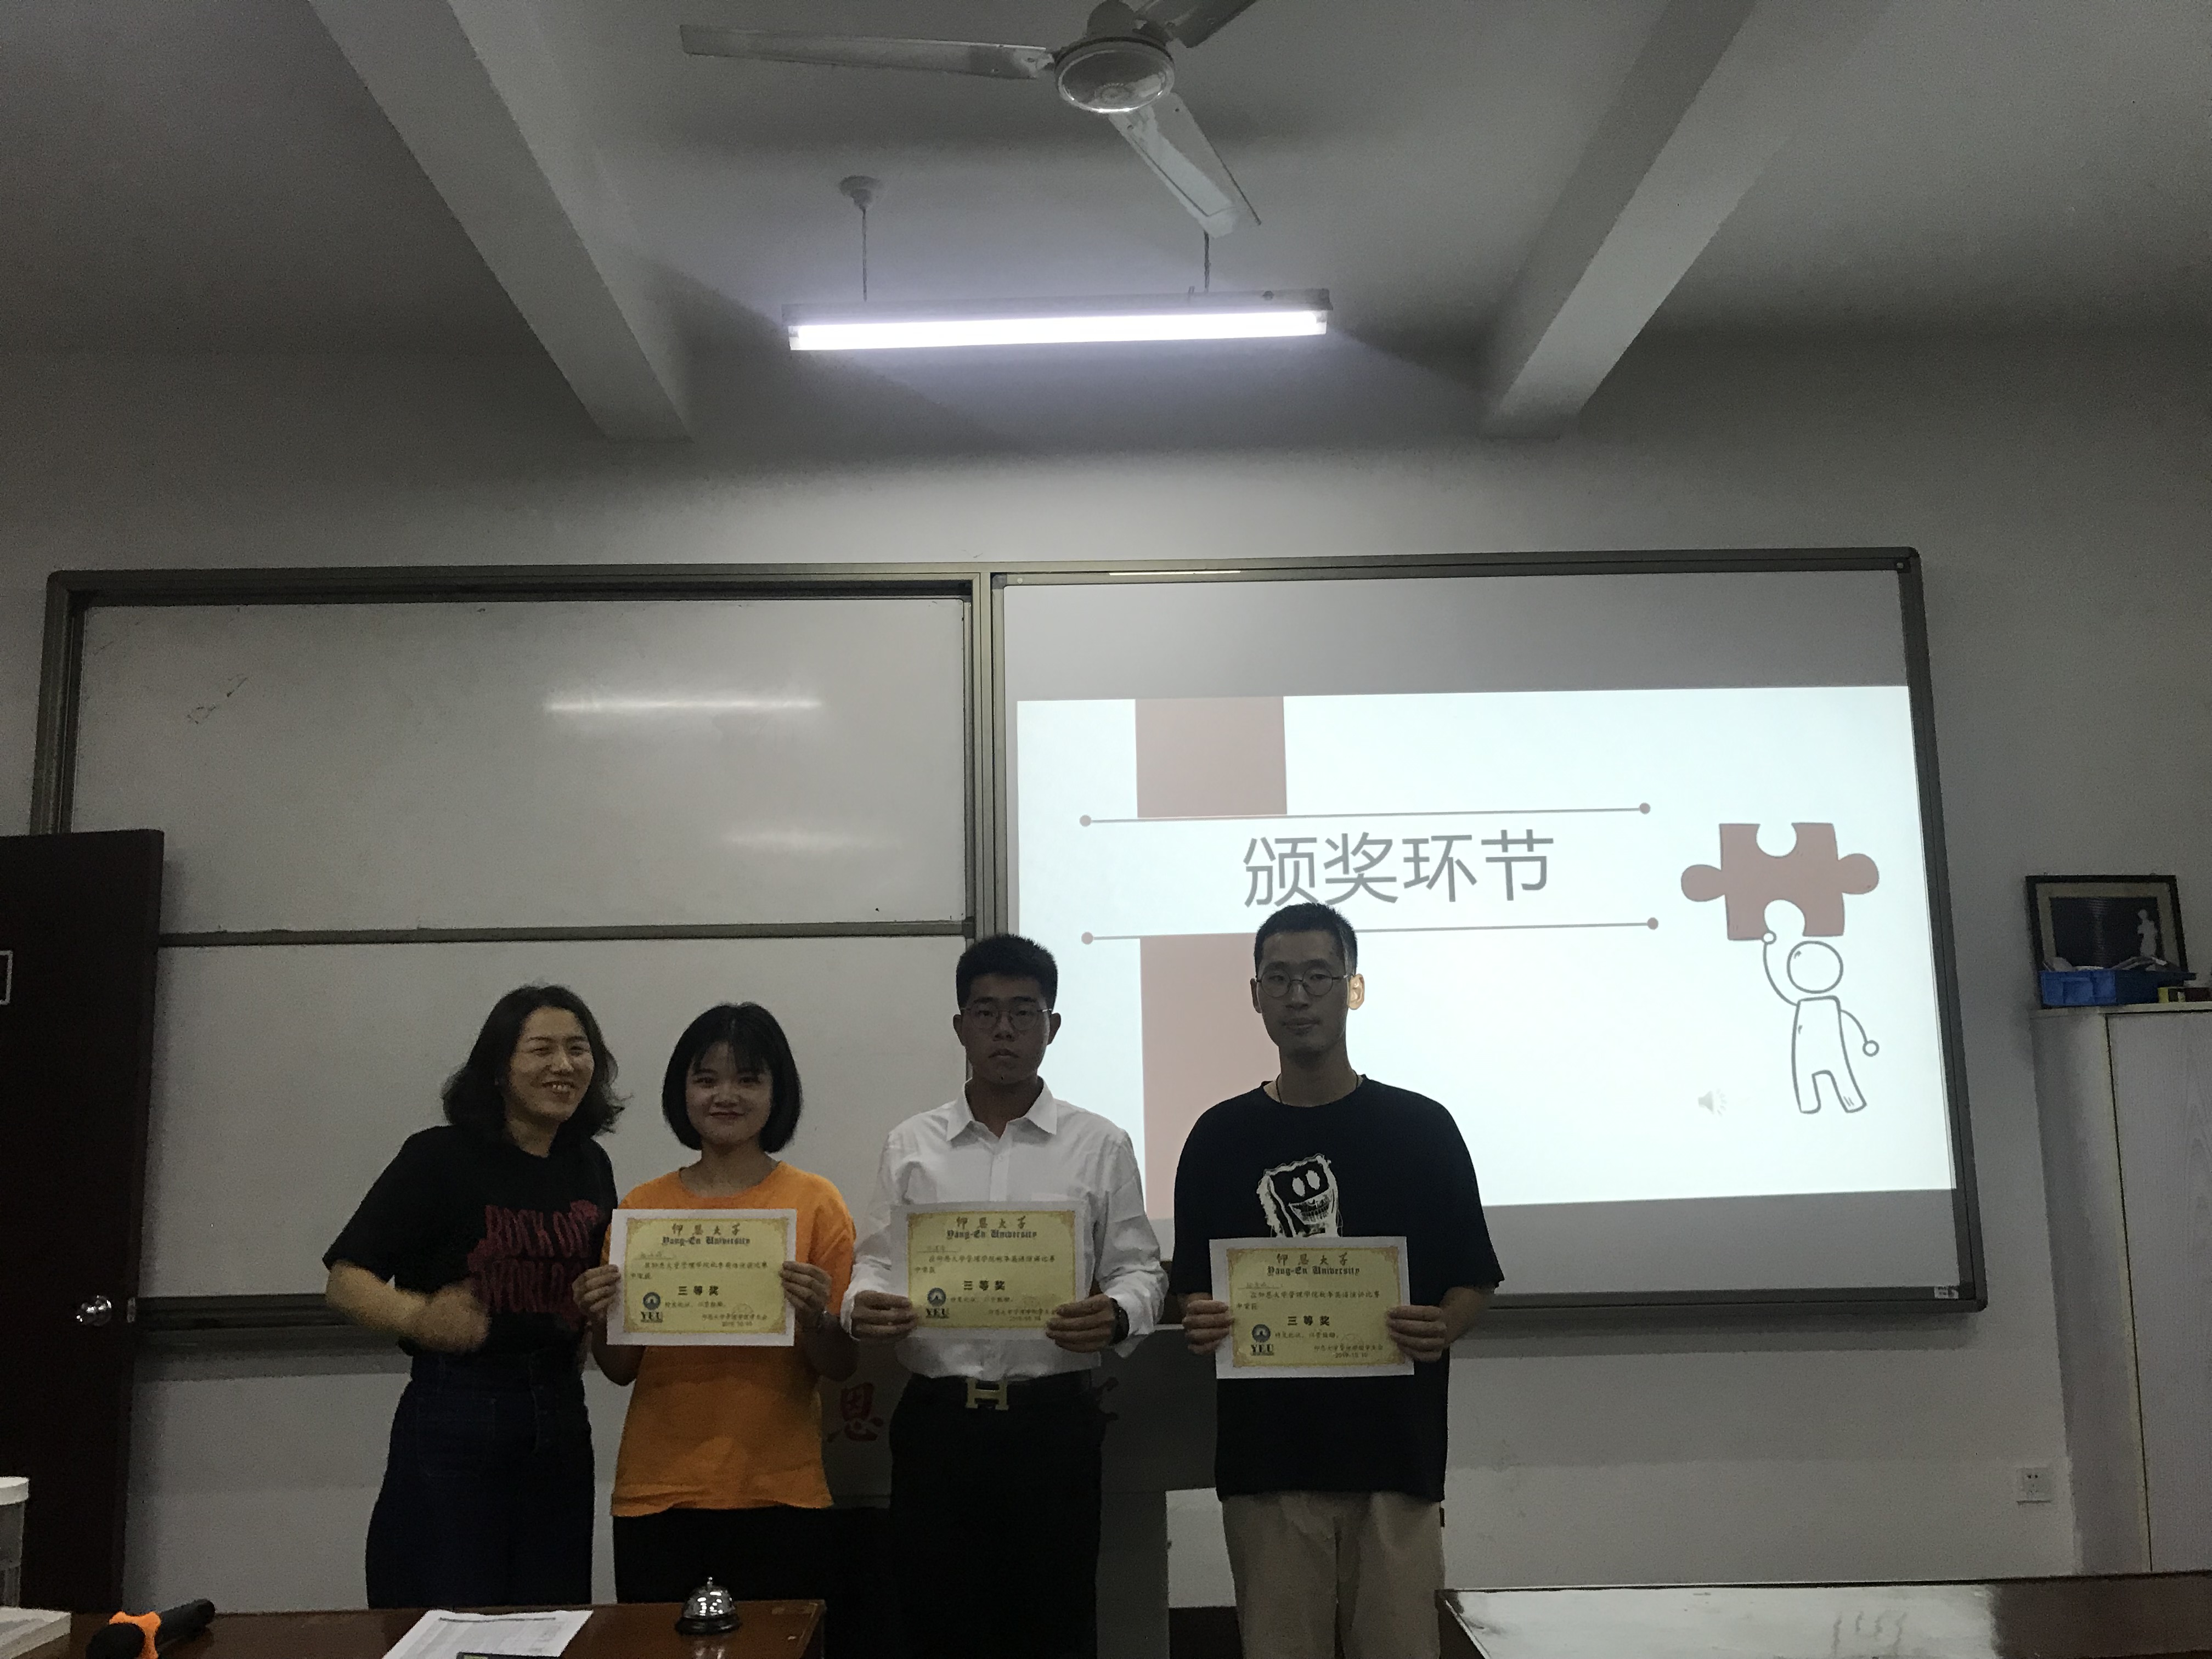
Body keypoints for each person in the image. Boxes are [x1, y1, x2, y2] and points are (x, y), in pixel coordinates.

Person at [1173, 902, 1503, 1659]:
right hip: (1268, 1461)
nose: (1298, 997)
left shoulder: (1423, 1129)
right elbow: (1193, 1284)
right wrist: (1201, 1314)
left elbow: (1473, 1278)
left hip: (1395, 1458)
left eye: (1318, 976)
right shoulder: (1219, 1137)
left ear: (1352, 989)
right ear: (1255, 995)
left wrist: (1445, 1324)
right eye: (1279, 979)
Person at [844, 934, 1165, 1659]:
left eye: (1025, 1012)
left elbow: (1141, 1270)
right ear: (960, 1026)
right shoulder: (911, 1145)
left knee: (1054, 1628)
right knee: (937, 1627)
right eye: (986, 1013)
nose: (1005, 1030)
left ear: (1053, 1026)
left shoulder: (1100, 1144)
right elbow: (875, 1264)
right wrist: (862, 1304)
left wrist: (1117, 1314)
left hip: (1052, 1426)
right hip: (939, 1426)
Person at [324, 984, 622, 1609]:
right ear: (498, 1067)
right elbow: (346, 1281)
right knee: (448, 1609)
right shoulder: (439, 1157)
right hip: (459, 1406)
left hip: (560, 1410)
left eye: (578, 1049)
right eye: (540, 1049)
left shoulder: (590, 1164)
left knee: (552, 1611)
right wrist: (419, 1317)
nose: (564, 1065)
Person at [572, 1002, 858, 1608]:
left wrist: (815, 1317)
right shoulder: (642, 1210)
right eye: (706, 1080)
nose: (725, 1096)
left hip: (781, 1488)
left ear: (777, 1093)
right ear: (682, 1093)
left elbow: (839, 1364)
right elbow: (620, 1369)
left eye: (748, 1079)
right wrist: (600, 1314)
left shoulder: (816, 1203)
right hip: (658, 1490)